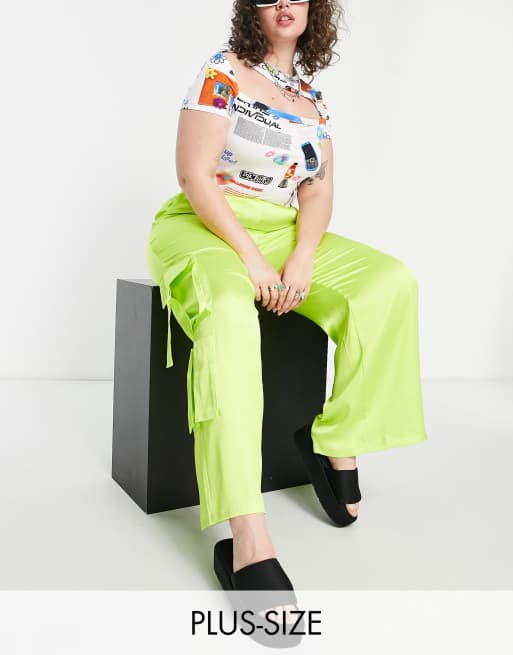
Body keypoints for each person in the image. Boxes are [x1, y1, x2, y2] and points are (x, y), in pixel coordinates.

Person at [146, 0, 428, 622]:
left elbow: (317, 190)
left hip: (281, 229)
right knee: (228, 311)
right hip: (203, 225)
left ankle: (337, 440)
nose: (283, 2)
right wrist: (251, 260)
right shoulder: (222, 71)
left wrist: (301, 257)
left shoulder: (310, 98)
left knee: (389, 284)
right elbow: (195, 176)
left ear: (313, 10)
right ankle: (246, 534)